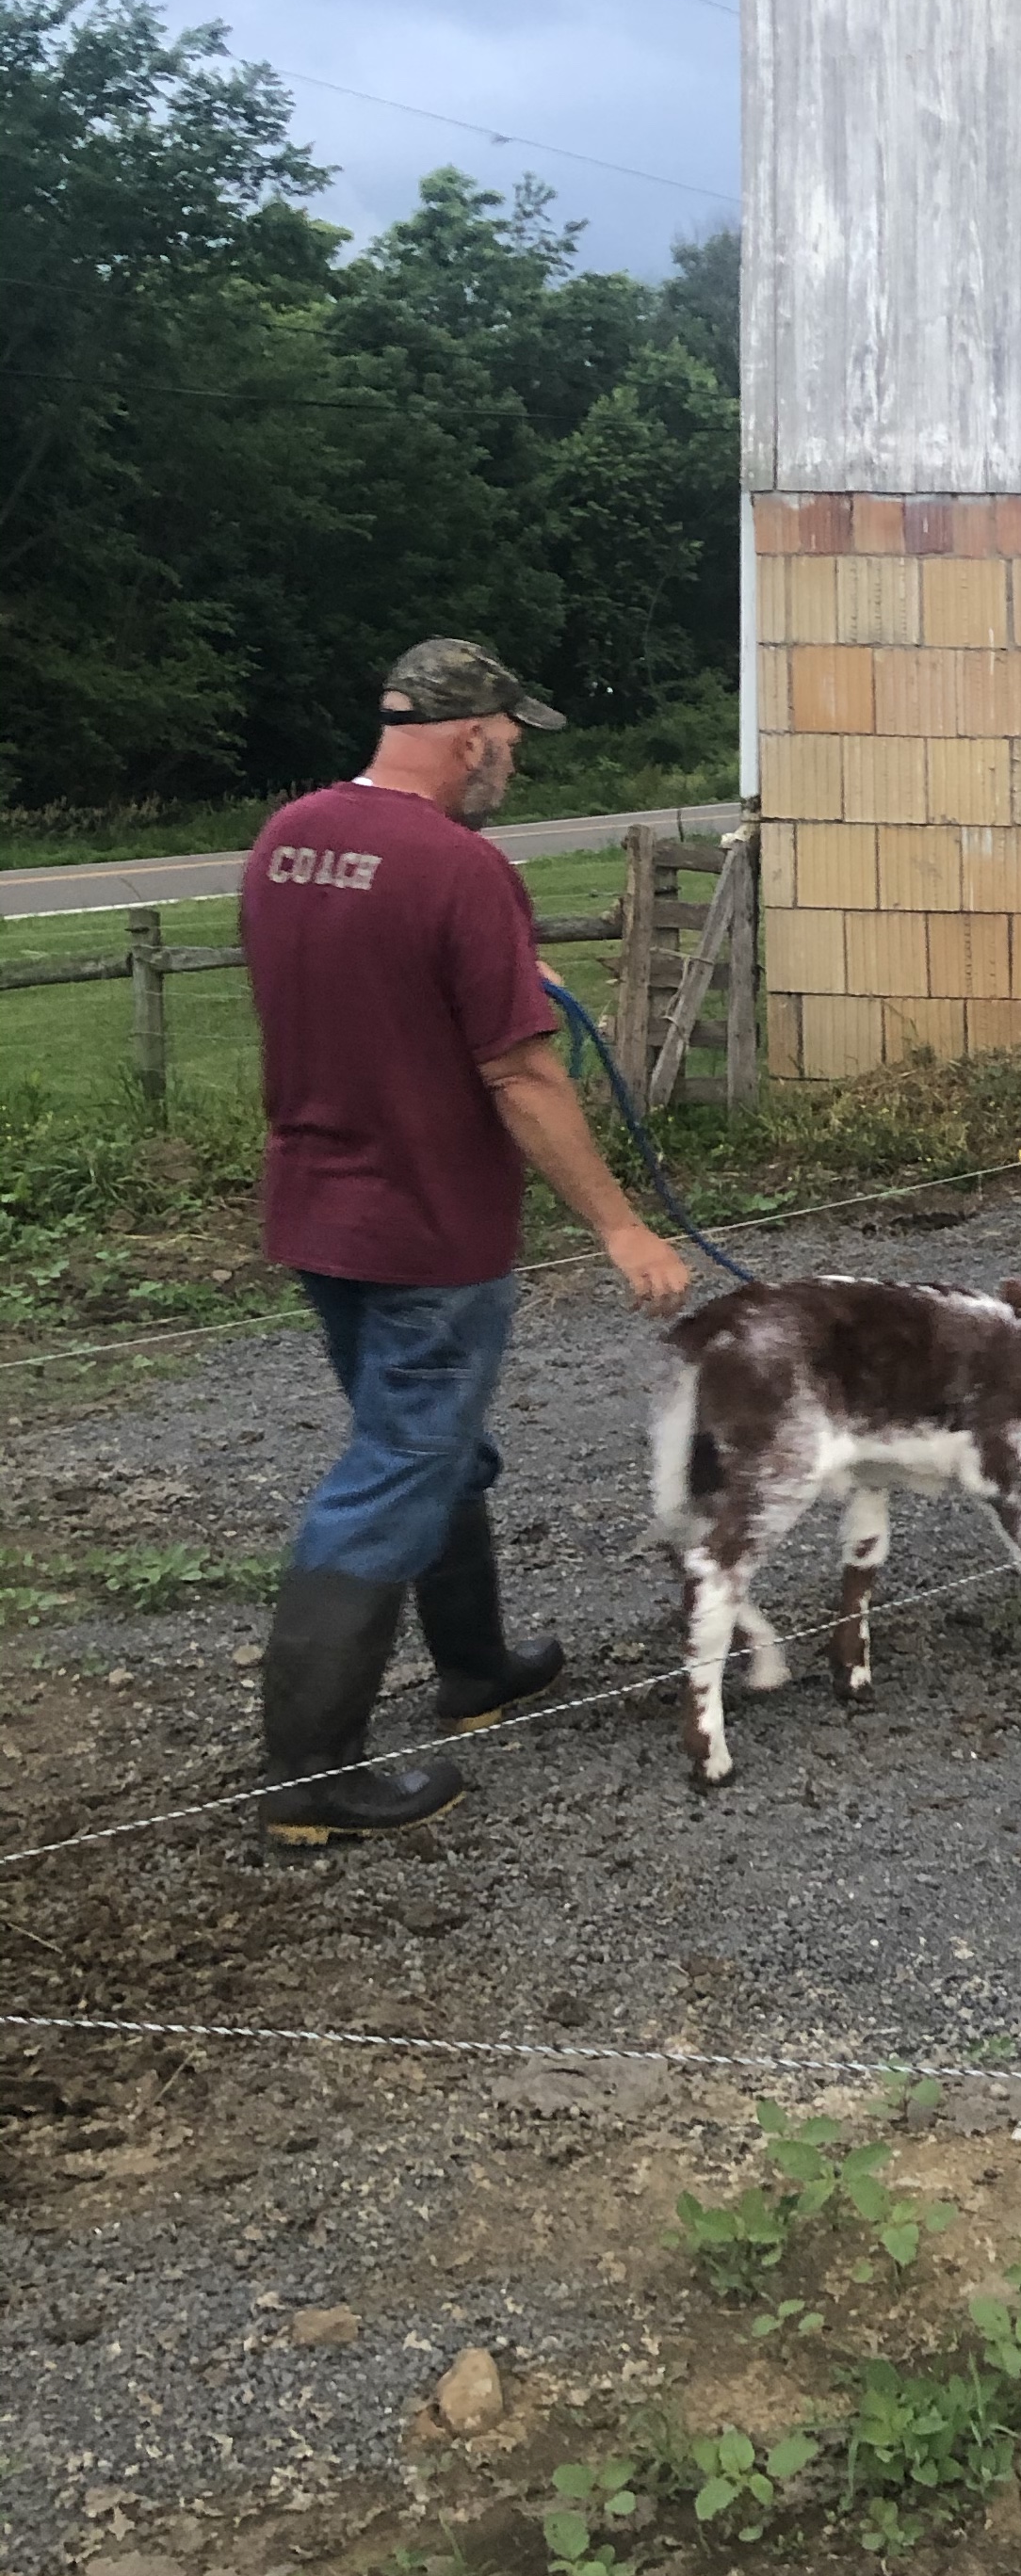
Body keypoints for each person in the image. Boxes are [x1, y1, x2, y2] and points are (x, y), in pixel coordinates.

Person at [239, 638, 692, 1848]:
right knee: (398, 1463)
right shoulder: (458, 864)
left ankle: (477, 1668)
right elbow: (523, 1075)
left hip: (317, 1209)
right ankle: (308, 1777)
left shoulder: (289, 838)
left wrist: (492, 970)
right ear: (471, 734)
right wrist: (622, 1226)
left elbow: (356, 977)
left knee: (434, 1443)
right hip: (429, 1224)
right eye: (512, 743)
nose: (515, 764)